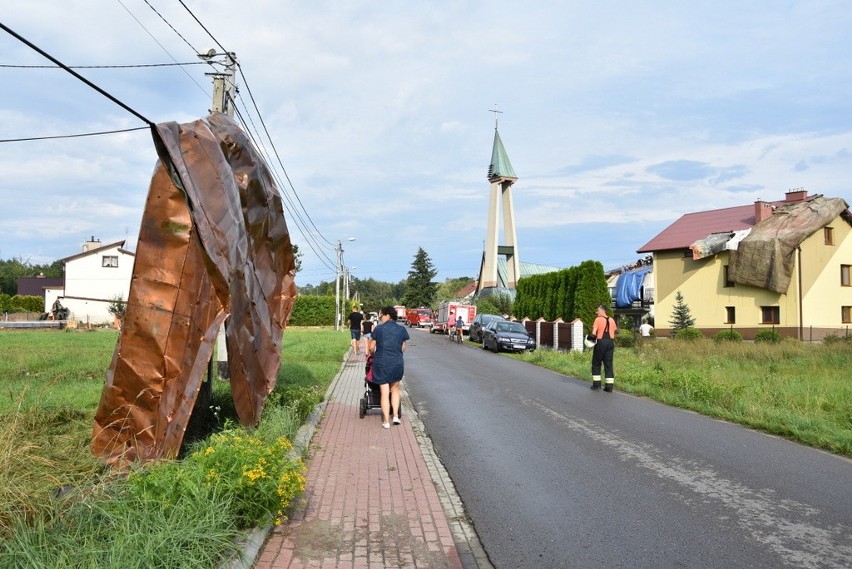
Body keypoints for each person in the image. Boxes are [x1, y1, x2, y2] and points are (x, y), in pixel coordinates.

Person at [368, 306, 410, 429]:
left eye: (381, 315)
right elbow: (403, 347)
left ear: (387, 315)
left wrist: (373, 355)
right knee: (396, 389)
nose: (380, 318)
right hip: (397, 362)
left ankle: (386, 421)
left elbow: (371, 347)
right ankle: (396, 416)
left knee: (384, 393)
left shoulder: (379, 329)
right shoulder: (401, 329)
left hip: (381, 362)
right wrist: (397, 353)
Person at [590, 305, 617, 392]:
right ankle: (609, 387)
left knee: (596, 363)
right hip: (610, 343)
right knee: (608, 364)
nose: (596, 312)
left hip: (601, 342)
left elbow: (594, 333)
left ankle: (597, 385)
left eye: (597, 310)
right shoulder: (612, 320)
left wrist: (589, 341)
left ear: (602, 311)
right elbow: (614, 331)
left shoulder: (598, 319)